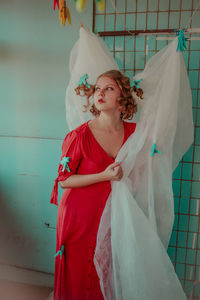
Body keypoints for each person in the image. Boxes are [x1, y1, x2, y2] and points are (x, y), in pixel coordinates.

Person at [50, 70, 141, 300]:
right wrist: (104, 176)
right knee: (81, 273)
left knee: (107, 272)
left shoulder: (135, 132)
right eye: (98, 88)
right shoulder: (79, 136)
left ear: (123, 96)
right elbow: (63, 180)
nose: (100, 93)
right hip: (79, 215)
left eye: (109, 88)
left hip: (114, 213)